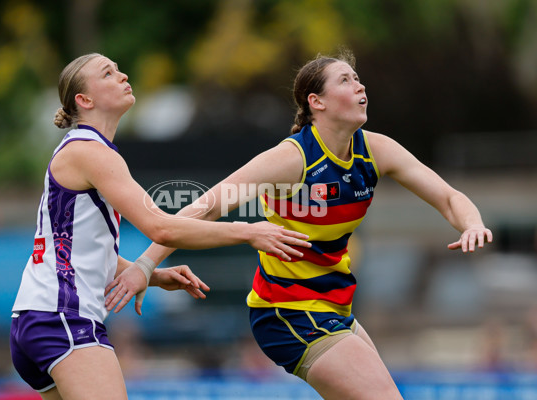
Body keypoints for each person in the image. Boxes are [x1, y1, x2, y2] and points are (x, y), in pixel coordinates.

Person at [106, 49, 493, 400]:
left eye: (358, 80)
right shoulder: (293, 158)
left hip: (335, 308)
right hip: (287, 311)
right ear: (317, 102)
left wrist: (470, 223)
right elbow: (206, 207)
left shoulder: (376, 150)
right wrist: (144, 265)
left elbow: (448, 197)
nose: (360, 86)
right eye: (346, 80)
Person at [9, 53, 311, 400]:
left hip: (35, 320)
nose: (122, 75)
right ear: (84, 100)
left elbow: (72, 250)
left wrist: (150, 274)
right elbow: (162, 228)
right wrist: (249, 231)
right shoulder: (91, 152)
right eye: (108, 73)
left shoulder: (80, 151)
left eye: (119, 69)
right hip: (63, 319)